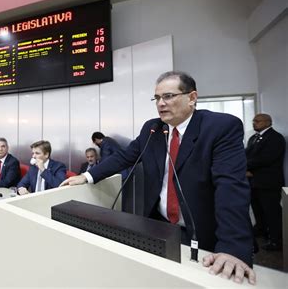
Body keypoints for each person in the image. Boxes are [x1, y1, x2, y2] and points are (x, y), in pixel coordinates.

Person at [61, 71, 255, 284]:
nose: (161, 103)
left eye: (169, 96)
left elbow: (230, 187)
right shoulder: (153, 129)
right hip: (159, 225)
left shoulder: (220, 127)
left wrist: (233, 248)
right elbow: (126, 156)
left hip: (203, 230)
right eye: (157, 98)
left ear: (192, 97)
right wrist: (88, 175)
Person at [246, 113, 285, 251]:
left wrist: (247, 167)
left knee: (272, 212)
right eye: (253, 120)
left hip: (269, 183)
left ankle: (276, 240)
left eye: (258, 121)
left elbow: (266, 159)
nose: (254, 123)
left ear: (268, 122)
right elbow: (247, 155)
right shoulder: (253, 138)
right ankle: (261, 230)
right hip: (254, 182)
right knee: (258, 209)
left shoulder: (275, 138)